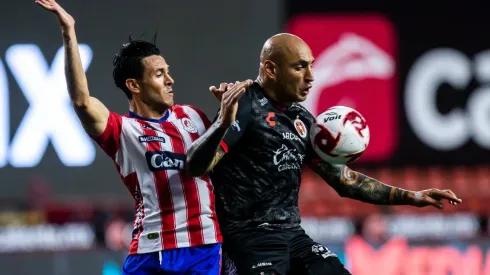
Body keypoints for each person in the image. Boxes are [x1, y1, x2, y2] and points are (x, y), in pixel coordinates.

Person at [185, 33, 463, 275]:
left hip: (292, 235)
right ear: (270, 69)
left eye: (311, 66)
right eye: (299, 67)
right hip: (249, 239)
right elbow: (197, 166)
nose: (311, 77)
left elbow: (345, 181)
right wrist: (222, 123)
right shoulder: (243, 103)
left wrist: (412, 197)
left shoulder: (302, 120)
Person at [35, 0, 251, 274]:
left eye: (168, 72)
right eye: (160, 74)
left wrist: (225, 121)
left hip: (204, 248)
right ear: (134, 85)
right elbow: (81, 101)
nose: (170, 80)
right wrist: (69, 32)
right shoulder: (122, 130)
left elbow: (218, 168)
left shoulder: (193, 117)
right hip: (149, 250)